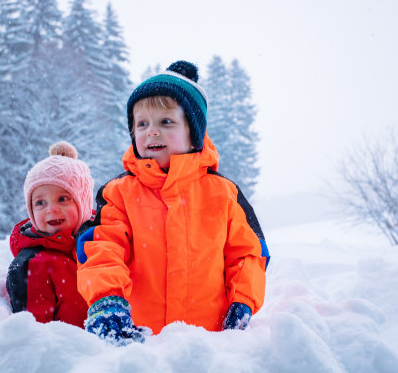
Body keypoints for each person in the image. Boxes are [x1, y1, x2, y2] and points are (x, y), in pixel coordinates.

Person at [76, 60, 269, 344]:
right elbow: (102, 249)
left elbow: (248, 254)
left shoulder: (223, 193)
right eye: (142, 124)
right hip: (141, 346)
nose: (151, 131)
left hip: (208, 346)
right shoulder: (119, 194)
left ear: (194, 133)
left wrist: (243, 300)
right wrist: (107, 299)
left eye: (166, 122)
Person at [6, 141, 94, 328]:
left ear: (83, 202)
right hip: (73, 353)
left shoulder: (106, 241)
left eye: (62, 199)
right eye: (40, 203)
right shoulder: (34, 265)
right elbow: (34, 332)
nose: (51, 209)